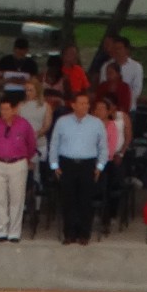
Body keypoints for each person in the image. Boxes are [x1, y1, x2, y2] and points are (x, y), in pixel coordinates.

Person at [46, 95, 106, 246]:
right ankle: (69, 233)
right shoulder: (62, 121)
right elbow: (54, 144)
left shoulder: (96, 123)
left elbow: (103, 147)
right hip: (67, 164)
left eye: (87, 103)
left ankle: (84, 234)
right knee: (68, 200)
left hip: (88, 164)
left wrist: (99, 167)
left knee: (86, 201)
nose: (85, 106)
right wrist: (54, 165)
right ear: (73, 105)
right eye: (81, 103)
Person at [0, 96, 36, 242]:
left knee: (16, 198)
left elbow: (31, 144)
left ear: (14, 109)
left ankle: (14, 232)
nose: (4, 112)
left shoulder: (24, 125)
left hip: (18, 163)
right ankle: (0, 230)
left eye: (7, 109)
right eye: (2, 109)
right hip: (0, 162)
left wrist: (25, 158)